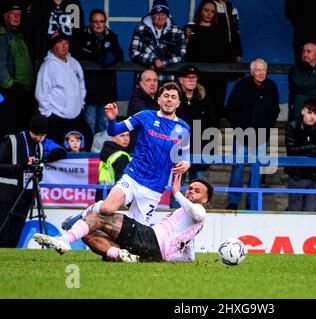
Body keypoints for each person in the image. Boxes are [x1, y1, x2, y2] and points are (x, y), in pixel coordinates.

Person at [60, 82, 190, 231]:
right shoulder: (145, 116)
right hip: (133, 176)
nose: (169, 100)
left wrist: (186, 163)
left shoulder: (184, 128)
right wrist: (112, 119)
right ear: (159, 99)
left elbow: (184, 155)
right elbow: (114, 131)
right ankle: (85, 213)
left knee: (136, 233)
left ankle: (114, 251)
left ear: (178, 103)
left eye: (173, 97)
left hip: (155, 187)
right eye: (165, 96)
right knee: (107, 209)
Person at [34, 174, 213, 263]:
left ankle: (65, 240)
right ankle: (119, 254)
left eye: (197, 191)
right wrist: (166, 259)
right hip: (153, 254)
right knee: (88, 233)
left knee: (100, 216)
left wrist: (176, 193)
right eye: (190, 188)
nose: (190, 191)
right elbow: (189, 257)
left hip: (150, 237)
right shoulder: (191, 222)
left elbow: (198, 213)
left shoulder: (198, 211)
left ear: (205, 200)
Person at [225, 59, 280, 210]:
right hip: (242, 135)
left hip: (262, 136)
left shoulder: (271, 87)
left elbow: (275, 111)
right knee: (238, 168)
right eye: (258, 70)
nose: (261, 73)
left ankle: (252, 202)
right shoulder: (241, 85)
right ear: (252, 71)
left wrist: (267, 130)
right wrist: (238, 129)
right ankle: (233, 201)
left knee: (257, 169)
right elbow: (230, 109)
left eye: (263, 70)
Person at [35, 28, 93, 150]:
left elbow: (81, 86)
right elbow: (41, 93)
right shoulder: (48, 66)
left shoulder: (74, 63)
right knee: (58, 151)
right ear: (53, 47)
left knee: (82, 147)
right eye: (59, 43)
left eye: (66, 43)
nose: (64, 46)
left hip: (76, 117)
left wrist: (80, 105)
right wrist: (48, 114)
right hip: (56, 118)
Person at [72, 8, 124, 135]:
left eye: (101, 21)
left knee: (102, 122)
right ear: (90, 22)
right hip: (89, 87)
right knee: (89, 121)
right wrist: (95, 57)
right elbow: (76, 53)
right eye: (95, 21)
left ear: (105, 22)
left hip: (106, 87)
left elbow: (120, 54)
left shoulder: (111, 36)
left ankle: (101, 150)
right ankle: (90, 149)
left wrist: (113, 57)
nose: (98, 24)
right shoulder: (81, 36)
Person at [0, 114, 47, 247]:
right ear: (29, 130)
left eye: (43, 135)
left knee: (15, 234)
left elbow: (39, 175)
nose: (39, 138)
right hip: (6, 194)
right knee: (3, 232)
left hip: (26, 195)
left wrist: (37, 172)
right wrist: (20, 167)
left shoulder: (40, 146)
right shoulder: (12, 140)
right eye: (36, 134)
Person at [184, 0, 229, 124]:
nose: (209, 14)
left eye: (213, 12)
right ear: (200, 11)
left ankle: (212, 141)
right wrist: (187, 39)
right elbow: (187, 55)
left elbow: (224, 54)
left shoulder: (220, 31)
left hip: (217, 79)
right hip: (198, 78)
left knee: (214, 111)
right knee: (197, 110)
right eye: (206, 10)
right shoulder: (191, 30)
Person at [285, 98, 316, 212]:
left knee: (311, 211)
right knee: (295, 210)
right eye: (309, 112)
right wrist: (311, 147)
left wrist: (304, 149)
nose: (312, 116)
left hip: (315, 176)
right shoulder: (293, 125)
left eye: (315, 113)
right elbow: (291, 149)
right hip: (296, 175)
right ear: (302, 111)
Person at [0, 0, 35, 137]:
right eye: (13, 14)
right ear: (5, 16)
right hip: (11, 91)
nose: (16, 17)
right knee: (10, 128)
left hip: (23, 90)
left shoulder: (18, 33)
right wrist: (11, 86)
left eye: (19, 15)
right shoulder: (3, 35)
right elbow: (1, 65)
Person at [129, 0, 186, 83]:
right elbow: (134, 53)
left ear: (167, 16)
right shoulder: (140, 29)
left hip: (169, 78)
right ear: (152, 16)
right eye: (157, 14)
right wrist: (153, 60)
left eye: (163, 14)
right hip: (146, 79)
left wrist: (165, 62)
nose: (160, 17)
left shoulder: (177, 31)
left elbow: (182, 53)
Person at [176, 65, 216, 182]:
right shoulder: (173, 98)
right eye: (188, 77)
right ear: (180, 80)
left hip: (200, 149)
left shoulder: (204, 99)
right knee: (176, 188)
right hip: (177, 150)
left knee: (198, 187)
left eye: (194, 77)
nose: (191, 80)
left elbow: (211, 125)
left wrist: (209, 150)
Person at [96, 131, 131, 201]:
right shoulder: (122, 156)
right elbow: (122, 181)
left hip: (102, 195)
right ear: (113, 138)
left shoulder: (106, 153)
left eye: (127, 135)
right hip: (114, 198)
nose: (126, 138)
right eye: (122, 136)